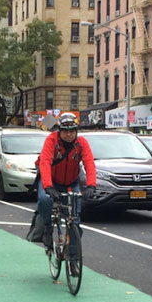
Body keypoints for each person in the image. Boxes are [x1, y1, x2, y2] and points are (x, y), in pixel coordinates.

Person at [36, 112, 97, 277]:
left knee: (74, 222)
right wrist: (48, 186)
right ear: (59, 130)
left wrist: (91, 184)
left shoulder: (81, 143)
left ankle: (73, 261)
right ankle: (48, 229)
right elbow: (45, 161)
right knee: (44, 201)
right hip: (52, 181)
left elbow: (89, 163)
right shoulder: (51, 141)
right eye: (65, 131)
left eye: (72, 131)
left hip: (72, 182)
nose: (69, 134)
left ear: (76, 131)